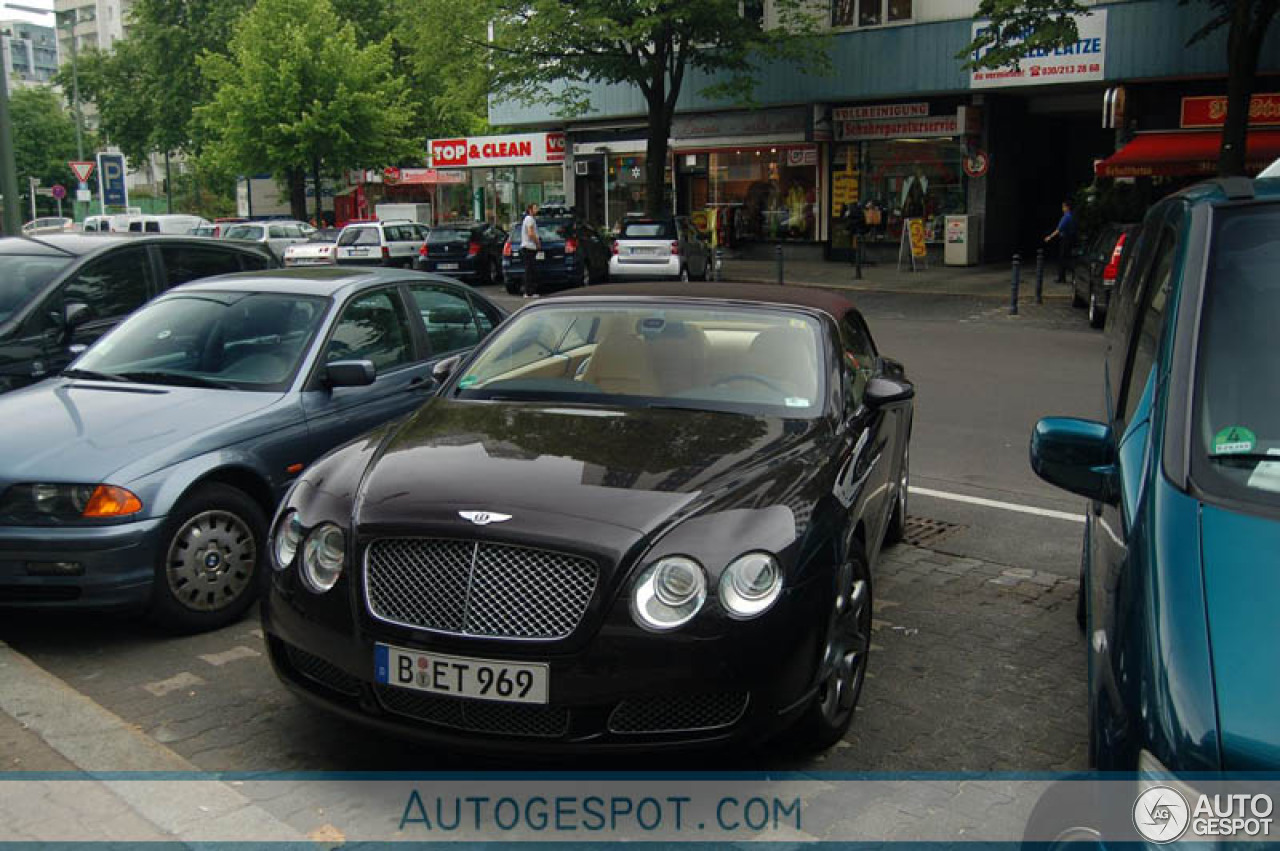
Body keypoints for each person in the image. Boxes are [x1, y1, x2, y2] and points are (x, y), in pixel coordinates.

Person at [1044, 200, 1078, 283]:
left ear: (1067, 207)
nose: (1062, 208)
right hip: (1070, 239)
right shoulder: (1072, 216)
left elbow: (1059, 229)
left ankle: (1063, 278)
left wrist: (1050, 237)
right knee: (1066, 258)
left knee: (1063, 259)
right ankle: (1065, 277)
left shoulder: (1066, 217)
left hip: (1065, 239)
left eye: (1063, 207)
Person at [519, 202, 541, 298]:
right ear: (530, 209)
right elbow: (531, 233)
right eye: (535, 208)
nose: (537, 210)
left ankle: (530, 290)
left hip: (530, 247)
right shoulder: (529, 219)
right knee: (529, 270)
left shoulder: (530, 219)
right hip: (529, 247)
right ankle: (528, 292)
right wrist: (537, 243)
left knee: (531, 270)